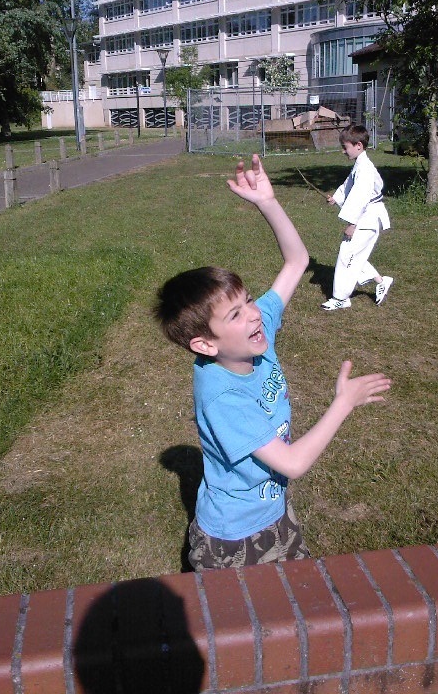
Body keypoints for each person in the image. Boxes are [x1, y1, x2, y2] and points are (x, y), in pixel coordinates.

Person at [153, 155, 391, 570]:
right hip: (233, 539)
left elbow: (297, 261)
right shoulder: (223, 397)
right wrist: (343, 403)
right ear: (206, 345)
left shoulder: (250, 337)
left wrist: (267, 202)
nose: (254, 313)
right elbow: (293, 463)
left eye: (248, 302)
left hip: (273, 512)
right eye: (235, 315)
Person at [321, 124, 393, 310]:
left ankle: (341, 298)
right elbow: (348, 185)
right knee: (354, 254)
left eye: (345, 147)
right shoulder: (360, 165)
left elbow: (360, 196)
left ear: (358, 145)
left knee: (347, 253)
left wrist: (352, 224)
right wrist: (336, 198)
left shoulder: (366, 169)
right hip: (368, 215)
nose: (343, 151)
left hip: (368, 216)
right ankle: (381, 280)